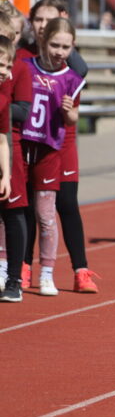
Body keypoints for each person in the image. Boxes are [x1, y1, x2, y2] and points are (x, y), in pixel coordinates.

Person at [15, 0, 94, 292]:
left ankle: (80, 269)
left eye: (49, 20)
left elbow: (81, 71)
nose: (42, 25)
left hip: (62, 140)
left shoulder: (68, 59)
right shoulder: (21, 56)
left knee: (66, 204)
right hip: (31, 140)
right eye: (37, 19)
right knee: (29, 206)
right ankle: (23, 267)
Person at [0, 34, 21, 301]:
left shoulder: (4, 100)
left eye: (8, 67)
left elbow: (3, 139)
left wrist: (5, 175)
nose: (5, 73)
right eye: (0, 65)